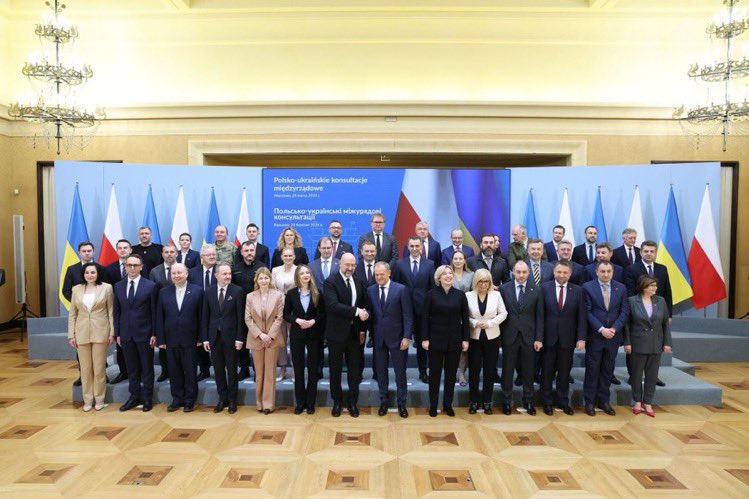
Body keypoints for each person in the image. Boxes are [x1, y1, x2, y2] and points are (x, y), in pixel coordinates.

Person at [323, 252, 369, 417]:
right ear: (339, 264)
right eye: (346, 265)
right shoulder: (330, 282)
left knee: (354, 371)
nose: (350, 268)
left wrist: (363, 329)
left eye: (352, 265)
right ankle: (337, 402)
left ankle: (352, 402)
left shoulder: (358, 280)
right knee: (335, 370)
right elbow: (333, 306)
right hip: (336, 333)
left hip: (355, 334)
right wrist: (356, 312)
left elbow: (364, 305)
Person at [582, 261, 629, 417]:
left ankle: (604, 400)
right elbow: (587, 312)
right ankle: (589, 402)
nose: (606, 274)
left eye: (609, 271)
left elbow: (624, 312)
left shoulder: (621, 288)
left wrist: (614, 329)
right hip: (596, 336)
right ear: (597, 272)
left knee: (608, 370)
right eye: (602, 271)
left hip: (613, 337)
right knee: (592, 370)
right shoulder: (587, 287)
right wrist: (601, 329)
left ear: (613, 272)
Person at [421, 265, 469, 417]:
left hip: (454, 341)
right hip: (435, 340)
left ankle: (448, 404)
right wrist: (425, 338)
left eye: (450, 273)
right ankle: (433, 405)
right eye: (445, 274)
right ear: (438, 278)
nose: (448, 276)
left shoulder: (460, 295)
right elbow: (424, 319)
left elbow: (465, 319)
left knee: (450, 375)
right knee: (434, 375)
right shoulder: (431, 294)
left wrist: (465, 339)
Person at [155, 263, 203, 412]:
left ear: (187, 274)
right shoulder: (163, 292)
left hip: (191, 338)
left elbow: (202, 317)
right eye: (174, 273)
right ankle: (177, 399)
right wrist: (161, 339)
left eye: (179, 273)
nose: (176, 275)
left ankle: (189, 400)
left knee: (190, 371)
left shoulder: (197, 291)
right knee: (174, 371)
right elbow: (159, 317)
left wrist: (201, 337)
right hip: (170, 339)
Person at [540, 260, 586, 416]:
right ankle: (546, 402)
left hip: (568, 339)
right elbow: (540, 315)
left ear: (570, 274)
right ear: (554, 272)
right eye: (559, 272)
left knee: (565, 373)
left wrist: (581, 338)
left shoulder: (578, 290)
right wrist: (539, 337)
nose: (561, 275)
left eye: (565, 272)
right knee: (546, 372)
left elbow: (582, 316)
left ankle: (563, 401)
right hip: (548, 338)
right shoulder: (544, 288)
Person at [367, 262, 413, 418]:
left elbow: (408, 315)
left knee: (400, 373)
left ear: (389, 273)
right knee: (381, 372)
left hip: (398, 339)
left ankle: (402, 403)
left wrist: (407, 337)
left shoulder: (401, 289)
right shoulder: (371, 290)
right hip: (379, 339)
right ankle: (384, 401)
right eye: (376, 274)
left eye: (382, 274)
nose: (379, 277)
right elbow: (372, 315)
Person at [624, 240, 672, 387]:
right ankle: (634, 376)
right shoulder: (632, 269)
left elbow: (667, 292)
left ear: (655, 253)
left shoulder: (662, 269)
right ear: (641, 252)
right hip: (637, 313)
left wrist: (668, 314)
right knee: (635, 346)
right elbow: (630, 292)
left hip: (657, 311)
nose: (649, 254)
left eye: (652, 251)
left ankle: (653, 376)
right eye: (646, 251)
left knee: (654, 345)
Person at [498, 261, 544, 416]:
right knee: (507, 371)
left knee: (528, 372)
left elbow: (540, 317)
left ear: (529, 272)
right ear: (513, 272)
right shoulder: (504, 289)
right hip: (509, 336)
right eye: (518, 272)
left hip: (529, 337)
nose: (521, 275)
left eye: (524, 272)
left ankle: (528, 401)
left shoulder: (537, 290)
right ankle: (506, 402)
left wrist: (539, 338)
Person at [113, 254, 157, 412]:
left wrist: (154, 333)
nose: (132, 268)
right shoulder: (118, 286)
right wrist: (117, 333)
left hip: (145, 333)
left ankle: (147, 398)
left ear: (141, 267)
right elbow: (117, 312)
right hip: (125, 334)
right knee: (131, 368)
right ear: (125, 266)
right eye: (129, 265)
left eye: (135, 265)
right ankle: (133, 396)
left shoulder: (150, 285)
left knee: (146, 367)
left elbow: (154, 312)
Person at [67, 262, 114, 412]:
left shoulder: (107, 288)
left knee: (99, 368)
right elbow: (72, 313)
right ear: (83, 274)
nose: (90, 275)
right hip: (81, 333)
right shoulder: (76, 289)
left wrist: (112, 332)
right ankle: (88, 400)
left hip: (101, 331)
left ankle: (99, 399)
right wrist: (71, 334)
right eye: (87, 273)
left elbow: (111, 312)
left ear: (98, 273)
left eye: (93, 272)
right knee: (85, 369)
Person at [624, 275, 672, 418]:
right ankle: (637, 401)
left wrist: (667, 342)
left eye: (655, 285)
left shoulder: (661, 301)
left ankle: (648, 402)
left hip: (656, 343)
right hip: (637, 343)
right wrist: (627, 342)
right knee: (636, 375)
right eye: (652, 285)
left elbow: (665, 324)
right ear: (644, 286)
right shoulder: (632, 301)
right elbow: (627, 325)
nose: (655, 288)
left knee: (652, 375)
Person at [202, 263, 246, 414]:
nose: (228, 276)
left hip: (232, 338)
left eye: (229, 274)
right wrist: (206, 339)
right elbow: (205, 317)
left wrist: (240, 338)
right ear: (216, 276)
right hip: (214, 338)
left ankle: (233, 400)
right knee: (218, 370)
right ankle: (223, 398)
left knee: (232, 370)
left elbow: (241, 317)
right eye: (224, 274)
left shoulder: (238, 291)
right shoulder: (208, 292)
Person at [61, 241, 105, 386]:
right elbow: (66, 290)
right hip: (81, 315)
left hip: (98, 317)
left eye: (89, 250)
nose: (87, 253)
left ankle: (101, 375)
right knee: (82, 350)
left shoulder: (100, 268)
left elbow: (105, 290)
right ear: (80, 252)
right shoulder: (72, 269)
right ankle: (83, 375)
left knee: (99, 351)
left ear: (93, 252)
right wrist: (79, 304)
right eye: (84, 251)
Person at [392, 236, 435, 383]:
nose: (415, 249)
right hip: (404, 312)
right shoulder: (399, 264)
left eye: (417, 246)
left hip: (423, 312)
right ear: (408, 247)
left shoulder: (430, 264)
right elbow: (395, 287)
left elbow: (432, 289)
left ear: (422, 248)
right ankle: (401, 372)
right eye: (412, 246)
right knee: (402, 342)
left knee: (423, 344)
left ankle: (423, 372)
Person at [284, 265, 325, 415]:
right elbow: (286, 314)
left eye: (307, 272)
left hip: (314, 335)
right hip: (297, 335)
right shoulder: (291, 293)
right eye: (302, 273)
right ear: (297, 276)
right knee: (299, 369)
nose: (305, 275)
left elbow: (322, 313)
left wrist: (313, 321)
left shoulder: (317, 292)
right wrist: (297, 320)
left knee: (313, 370)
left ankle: (310, 403)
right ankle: (300, 403)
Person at [465, 269, 507, 415]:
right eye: (480, 281)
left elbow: (503, 313)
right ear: (475, 281)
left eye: (486, 281)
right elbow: (463, 316)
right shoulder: (468, 296)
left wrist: (490, 323)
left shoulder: (497, 295)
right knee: (474, 372)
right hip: (474, 338)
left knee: (489, 371)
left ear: (490, 282)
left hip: (492, 338)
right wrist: (475, 322)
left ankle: (487, 402)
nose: (483, 284)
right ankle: (474, 402)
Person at [245, 267, 284, 414]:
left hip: (272, 339)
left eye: (266, 278)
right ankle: (259, 403)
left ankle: (268, 404)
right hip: (257, 339)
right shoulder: (250, 296)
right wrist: (261, 335)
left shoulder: (278, 295)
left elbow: (279, 318)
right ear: (257, 280)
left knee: (270, 372)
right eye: (261, 278)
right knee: (259, 373)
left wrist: (270, 335)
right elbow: (247, 318)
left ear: (270, 279)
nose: (264, 280)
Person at [104, 239, 143, 385]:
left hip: (137, 313)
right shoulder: (109, 269)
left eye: (125, 247)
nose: (122, 250)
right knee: (121, 348)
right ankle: (123, 371)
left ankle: (138, 373)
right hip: (120, 311)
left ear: (130, 249)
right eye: (119, 248)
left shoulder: (139, 266)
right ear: (116, 250)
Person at [232, 241, 268, 379]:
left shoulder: (262, 267)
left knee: (257, 339)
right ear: (241, 253)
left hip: (258, 310)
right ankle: (244, 368)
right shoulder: (235, 268)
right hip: (240, 310)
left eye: (251, 250)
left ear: (255, 251)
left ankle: (257, 369)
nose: (249, 253)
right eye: (246, 251)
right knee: (241, 338)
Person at [149, 243, 179, 382]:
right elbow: (152, 294)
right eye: (166, 252)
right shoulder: (155, 272)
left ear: (177, 253)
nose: (169, 254)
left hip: (181, 313)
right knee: (163, 346)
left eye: (172, 252)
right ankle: (165, 371)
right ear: (162, 254)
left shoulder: (184, 269)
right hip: (163, 313)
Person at [189, 244, 218, 381]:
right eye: (209, 255)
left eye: (214, 254)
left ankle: (219, 368)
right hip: (197, 312)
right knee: (200, 341)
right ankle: (204, 369)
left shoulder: (222, 270)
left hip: (217, 312)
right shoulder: (192, 272)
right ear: (202, 258)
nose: (212, 257)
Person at [272, 246, 297, 381]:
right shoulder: (275, 270)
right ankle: (282, 370)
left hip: (294, 309)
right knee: (280, 339)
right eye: (285, 256)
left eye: (290, 255)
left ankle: (294, 369)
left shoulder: (298, 270)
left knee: (293, 340)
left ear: (294, 257)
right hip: (279, 307)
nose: (288, 258)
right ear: (282, 257)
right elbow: (272, 288)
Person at [450, 250, 473, 386]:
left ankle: (462, 373)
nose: (458, 261)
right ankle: (451, 372)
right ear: (452, 260)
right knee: (452, 346)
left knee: (464, 347)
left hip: (466, 312)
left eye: (460, 258)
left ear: (465, 260)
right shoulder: (447, 274)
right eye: (455, 258)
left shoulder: (471, 275)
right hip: (450, 313)